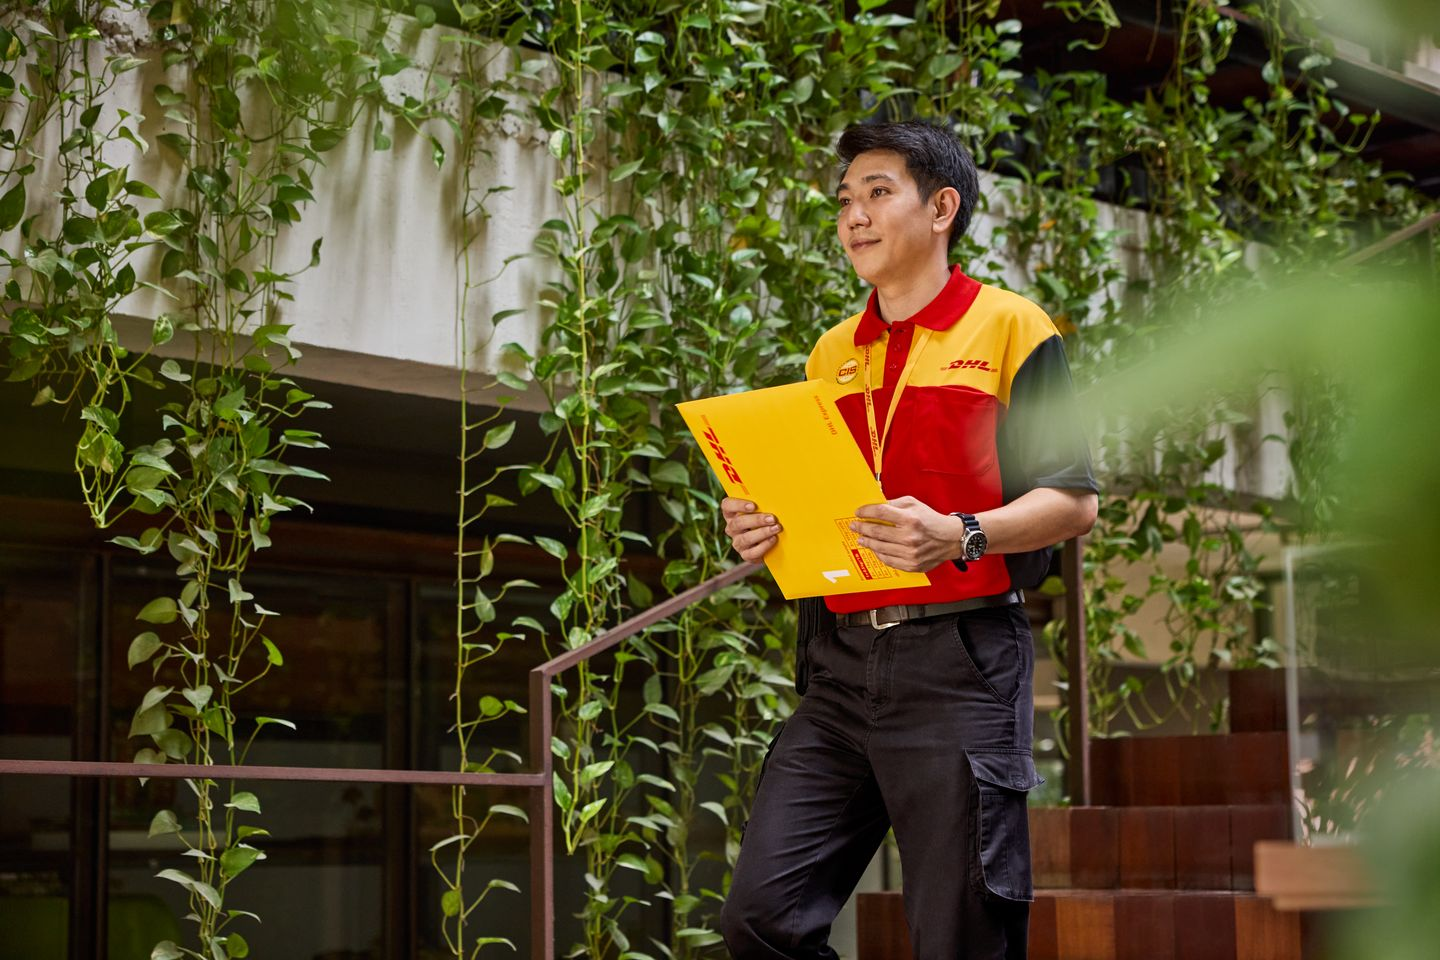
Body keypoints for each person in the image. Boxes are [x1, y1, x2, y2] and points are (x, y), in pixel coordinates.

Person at [716, 121, 1099, 960]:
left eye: (878, 192)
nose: (854, 215)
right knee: (760, 919)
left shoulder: (1012, 329)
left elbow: (1072, 502)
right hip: (841, 668)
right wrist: (760, 527)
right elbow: (817, 501)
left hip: (959, 664)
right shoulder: (830, 353)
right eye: (845, 200)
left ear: (942, 207)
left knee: (961, 935)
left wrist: (961, 532)